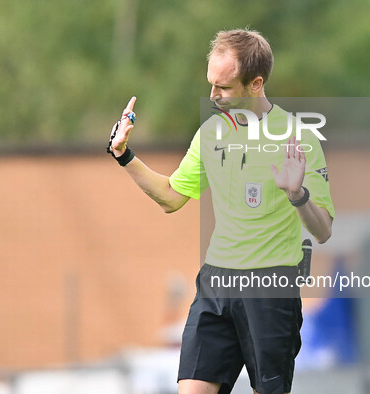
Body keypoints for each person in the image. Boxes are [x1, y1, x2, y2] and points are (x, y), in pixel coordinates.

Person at [108, 29, 334, 394]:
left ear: (255, 84)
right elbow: (170, 197)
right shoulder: (210, 133)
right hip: (215, 283)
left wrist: (297, 194)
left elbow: (323, 230)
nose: (213, 96)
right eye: (211, 84)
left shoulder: (299, 137)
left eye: (224, 88)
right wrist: (123, 155)